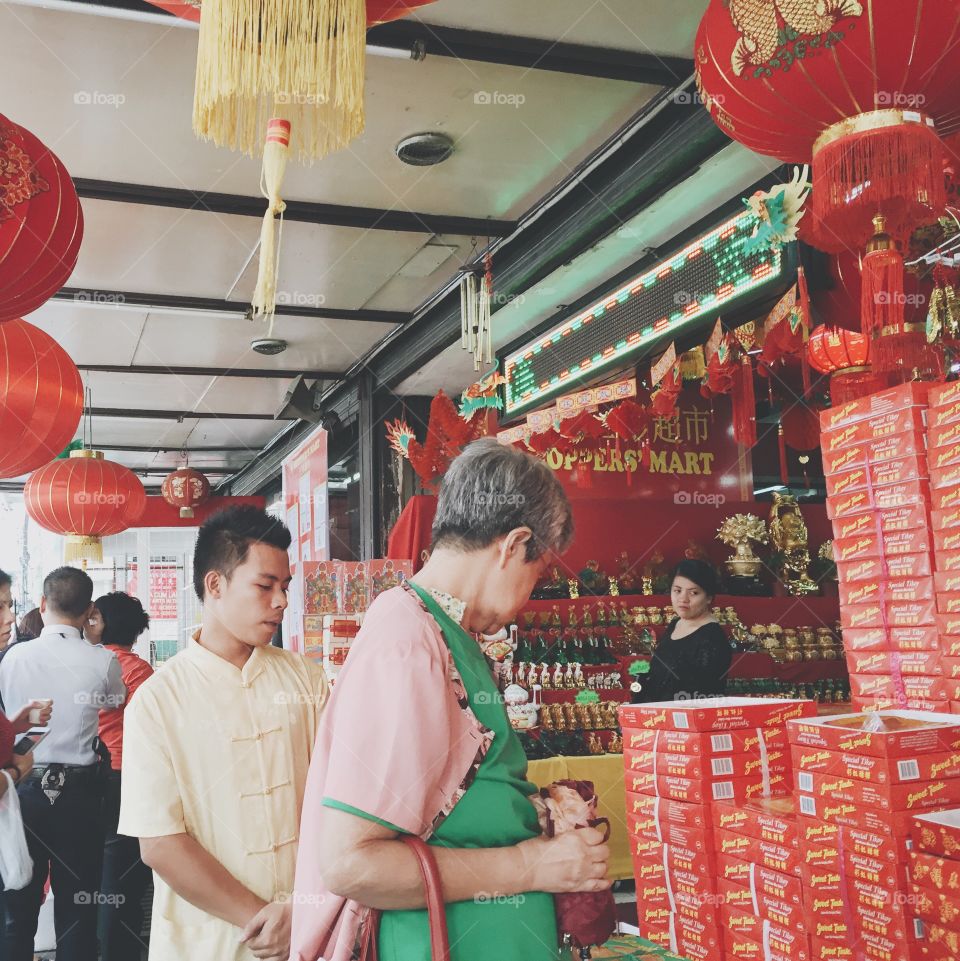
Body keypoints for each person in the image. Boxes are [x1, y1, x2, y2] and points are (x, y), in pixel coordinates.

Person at [290, 439, 611, 961]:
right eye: (539, 571)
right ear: (513, 545)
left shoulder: (443, 633)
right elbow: (352, 864)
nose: (531, 593)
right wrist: (531, 866)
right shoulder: (408, 641)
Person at [118, 506, 329, 961]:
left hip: (307, 928)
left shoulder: (307, 681)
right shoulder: (158, 700)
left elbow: (334, 803)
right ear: (215, 585)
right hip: (207, 942)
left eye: (285, 587)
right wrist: (264, 920)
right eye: (265, 586)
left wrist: (300, 913)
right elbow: (160, 842)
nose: (281, 601)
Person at [0, 566, 124, 961]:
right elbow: (115, 701)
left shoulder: (13, 657)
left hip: (22, 792)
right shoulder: (103, 661)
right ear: (90, 611)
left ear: (41, 603)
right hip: (80, 796)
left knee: (16, 904)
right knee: (78, 907)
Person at [95, 592, 153, 961]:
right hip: (125, 777)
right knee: (124, 873)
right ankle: (120, 949)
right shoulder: (138, 671)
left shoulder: (89, 664)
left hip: (90, 776)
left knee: (98, 870)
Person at [634, 559, 733, 703]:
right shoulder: (676, 624)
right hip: (656, 717)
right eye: (678, 590)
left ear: (709, 598)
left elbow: (704, 695)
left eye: (693, 593)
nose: (683, 599)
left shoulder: (712, 639)